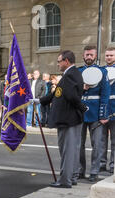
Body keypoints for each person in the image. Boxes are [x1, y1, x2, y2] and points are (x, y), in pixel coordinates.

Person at [39, 50, 86, 188]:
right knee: (71, 149)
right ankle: (72, 177)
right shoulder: (69, 74)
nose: (57, 64)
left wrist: (83, 108)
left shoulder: (70, 75)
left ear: (66, 61)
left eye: (59, 61)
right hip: (69, 119)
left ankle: (65, 180)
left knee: (68, 150)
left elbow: (72, 97)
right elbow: (56, 94)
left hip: (68, 119)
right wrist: (39, 100)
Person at [78, 45, 110, 182]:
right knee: (79, 144)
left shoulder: (102, 71)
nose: (89, 57)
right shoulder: (78, 72)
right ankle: (80, 171)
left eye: (91, 55)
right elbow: (73, 92)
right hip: (80, 112)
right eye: (87, 54)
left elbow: (105, 94)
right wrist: (82, 88)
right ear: (83, 56)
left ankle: (94, 171)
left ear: (95, 56)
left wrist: (103, 114)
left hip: (96, 113)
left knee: (97, 144)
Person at [101, 47, 115, 174]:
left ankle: (113, 165)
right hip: (102, 110)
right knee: (101, 140)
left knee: (114, 140)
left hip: (114, 109)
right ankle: (101, 163)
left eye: (111, 55)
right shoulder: (100, 70)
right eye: (107, 55)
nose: (109, 57)